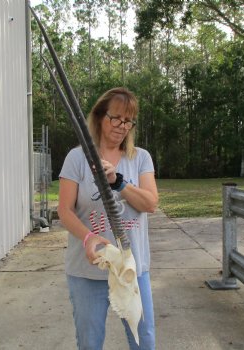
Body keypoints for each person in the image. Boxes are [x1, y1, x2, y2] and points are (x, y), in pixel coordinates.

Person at [58, 87, 158, 350]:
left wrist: (118, 182)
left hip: (132, 269)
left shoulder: (140, 158)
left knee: (144, 342)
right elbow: (64, 210)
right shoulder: (77, 158)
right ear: (101, 116)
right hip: (88, 271)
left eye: (128, 120)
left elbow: (150, 203)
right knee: (90, 343)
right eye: (116, 118)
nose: (121, 126)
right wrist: (88, 237)